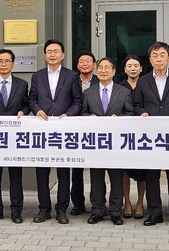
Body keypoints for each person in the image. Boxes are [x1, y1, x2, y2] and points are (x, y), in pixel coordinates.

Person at [133, 41, 169, 228]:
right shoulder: (143, 81)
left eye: (162, 55)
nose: (159, 59)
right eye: (155, 55)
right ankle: (154, 213)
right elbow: (137, 104)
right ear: (150, 59)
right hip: (151, 136)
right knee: (151, 175)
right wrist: (142, 112)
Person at [29, 39, 82, 224]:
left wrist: (68, 114)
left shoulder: (72, 76)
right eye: (49, 51)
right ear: (45, 55)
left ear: (63, 55)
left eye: (56, 51)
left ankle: (61, 209)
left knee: (63, 171)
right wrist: (37, 110)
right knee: (41, 171)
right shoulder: (37, 76)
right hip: (42, 130)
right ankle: (44, 208)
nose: (52, 54)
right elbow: (31, 99)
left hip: (62, 130)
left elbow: (78, 101)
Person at [83, 57, 133, 225]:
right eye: (100, 68)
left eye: (107, 68)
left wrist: (119, 118)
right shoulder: (89, 92)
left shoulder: (124, 92)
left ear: (114, 71)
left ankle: (115, 211)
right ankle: (97, 210)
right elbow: (82, 113)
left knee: (116, 178)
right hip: (96, 143)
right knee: (96, 178)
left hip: (116, 143)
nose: (103, 70)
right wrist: (88, 117)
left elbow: (130, 114)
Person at [0, 48, 29, 224]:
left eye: (7, 61)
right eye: (0, 61)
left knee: (15, 176)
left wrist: (23, 112)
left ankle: (16, 211)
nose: (3, 64)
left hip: (15, 137)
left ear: (13, 64)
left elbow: (26, 104)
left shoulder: (22, 84)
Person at [71, 49, 98, 216]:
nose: (85, 64)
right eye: (81, 61)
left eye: (88, 61)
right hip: (75, 130)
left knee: (97, 170)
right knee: (77, 170)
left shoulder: (101, 81)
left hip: (95, 130)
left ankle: (97, 204)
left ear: (94, 65)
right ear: (77, 65)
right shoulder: (71, 81)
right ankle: (77, 204)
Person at [119, 55, 146, 220]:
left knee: (142, 169)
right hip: (124, 132)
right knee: (125, 169)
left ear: (141, 68)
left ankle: (140, 202)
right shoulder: (119, 86)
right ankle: (127, 202)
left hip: (144, 133)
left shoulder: (147, 84)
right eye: (129, 66)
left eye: (136, 65)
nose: (133, 68)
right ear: (124, 69)